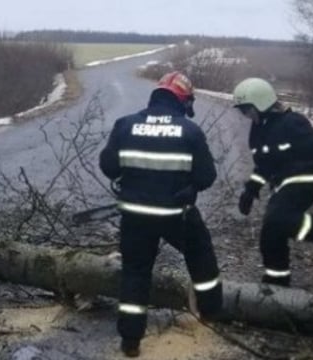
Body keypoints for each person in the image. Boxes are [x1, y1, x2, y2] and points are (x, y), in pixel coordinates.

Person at [99, 71, 223, 358]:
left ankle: (130, 341)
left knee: (135, 273)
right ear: (183, 100)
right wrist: (190, 186)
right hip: (175, 214)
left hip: (135, 216)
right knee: (201, 255)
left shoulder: (125, 124)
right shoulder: (190, 131)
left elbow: (108, 167)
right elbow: (206, 176)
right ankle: (211, 313)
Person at [232, 78, 313, 287]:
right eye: (243, 111)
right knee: (271, 231)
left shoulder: (293, 122)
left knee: (276, 219)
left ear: (261, 104)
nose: (246, 115)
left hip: (304, 179)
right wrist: (250, 190)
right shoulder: (258, 131)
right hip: (281, 184)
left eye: (247, 109)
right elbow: (263, 166)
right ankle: (277, 279)